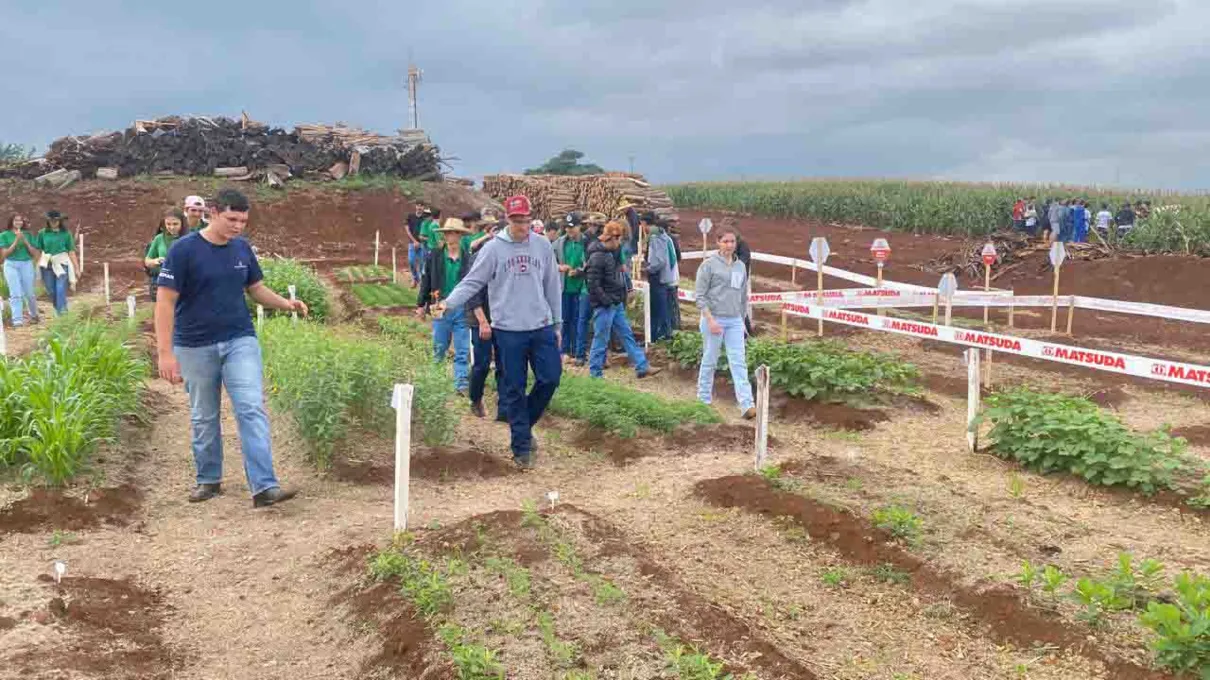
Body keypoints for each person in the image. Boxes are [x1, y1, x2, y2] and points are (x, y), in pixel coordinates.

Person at [155, 188, 306, 507]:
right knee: (204, 415)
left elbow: (256, 289)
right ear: (212, 212)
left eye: (243, 220)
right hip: (194, 345)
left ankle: (265, 487)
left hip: (240, 339)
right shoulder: (184, 250)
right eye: (232, 219)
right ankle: (208, 479)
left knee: (251, 407)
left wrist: (286, 304)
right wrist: (165, 353)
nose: (238, 226)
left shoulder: (242, 249)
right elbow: (165, 302)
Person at [438, 195, 562, 470]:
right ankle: (521, 449)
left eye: (526, 220)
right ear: (508, 219)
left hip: (540, 325)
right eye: (517, 221)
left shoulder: (542, 246)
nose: (522, 226)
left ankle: (523, 425)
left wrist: (557, 324)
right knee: (514, 388)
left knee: (550, 378)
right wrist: (448, 303)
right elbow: (472, 283)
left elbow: (553, 285)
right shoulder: (493, 250)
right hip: (507, 331)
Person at [695, 227, 756, 419]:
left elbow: (742, 298)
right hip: (714, 319)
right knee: (710, 360)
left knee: (738, 361)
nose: (729, 245)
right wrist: (710, 320)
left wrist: (743, 322)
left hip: (734, 321)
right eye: (726, 241)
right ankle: (703, 400)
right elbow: (700, 296)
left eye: (732, 242)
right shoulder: (709, 265)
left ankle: (747, 404)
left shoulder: (740, 267)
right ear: (718, 242)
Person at [585, 220, 657, 380]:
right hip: (605, 305)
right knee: (601, 338)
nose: (620, 243)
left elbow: (620, 272)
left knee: (626, 334)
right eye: (618, 239)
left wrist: (626, 289)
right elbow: (592, 285)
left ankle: (642, 366)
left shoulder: (612, 253)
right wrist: (606, 301)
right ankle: (595, 374)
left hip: (615, 303)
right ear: (611, 238)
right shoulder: (597, 257)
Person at [416, 218, 473, 395]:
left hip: (462, 308)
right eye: (447, 232)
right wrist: (421, 304)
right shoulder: (435, 255)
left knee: (462, 349)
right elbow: (426, 280)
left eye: (454, 232)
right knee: (439, 347)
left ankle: (461, 384)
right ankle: (435, 381)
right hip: (439, 305)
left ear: (461, 235)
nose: (450, 236)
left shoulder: (468, 259)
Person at [554, 213, 590, 365]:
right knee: (565, 319)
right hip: (564, 287)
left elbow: (591, 262)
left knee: (579, 319)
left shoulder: (587, 243)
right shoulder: (559, 243)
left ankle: (577, 350)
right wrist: (560, 267)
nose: (569, 231)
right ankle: (563, 350)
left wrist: (581, 271)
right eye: (567, 228)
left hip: (581, 287)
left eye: (572, 228)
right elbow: (549, 262)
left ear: (579, 226)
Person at [36, 210, 80, 315]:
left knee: (60, 289)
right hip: (47, 264)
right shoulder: (42, 233)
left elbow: (71, 251)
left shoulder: (66, 233)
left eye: (56, 220)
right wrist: (36, 265)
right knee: (51, 291)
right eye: (51, 220)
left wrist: (76, 268)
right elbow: (38, 250)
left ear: (60, 221)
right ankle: (61, 309)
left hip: (62, 263)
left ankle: (62, 314)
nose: (54, 222)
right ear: (48, 221)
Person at [1, 214, 42, 326]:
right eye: (16, 220)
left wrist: (25, 241)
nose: (19, 222)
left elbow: (34, 253)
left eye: (20, 220)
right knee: (15, 293)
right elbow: (4, 254)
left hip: (26, 264)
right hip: (10, 264)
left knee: (29, 293)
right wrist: (16, 241)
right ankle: (17, 320)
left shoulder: (28, 235)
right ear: (11, 221)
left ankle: (34, 315)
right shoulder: (4, 235)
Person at [645, 217, 679, 343]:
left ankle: (661, 335)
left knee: (658, 308)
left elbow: (659, 261)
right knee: (662, 307)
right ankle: (660, 334)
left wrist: (649, 269)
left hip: (658, 277)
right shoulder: (666, 237)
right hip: (667, 277)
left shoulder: (655, 238)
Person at [144, 208, 186, 302]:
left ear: (182, 223)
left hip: (184, 283)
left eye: (175, 224)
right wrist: (156, 261)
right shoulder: (159, 238)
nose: (171, 227)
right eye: (168, 224)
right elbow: (147, 261)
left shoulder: (189, 238)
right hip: (164, 282)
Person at [405, 202, 427, 287]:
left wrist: (422, 241)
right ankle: (415, 278)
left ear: (423, 207)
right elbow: (407, 230)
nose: (419, 207)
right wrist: (414, 241)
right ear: (415, 206)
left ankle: (421, 281)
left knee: (422, 263)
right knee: (411, 261)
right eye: (418, 205)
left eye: (421, 205)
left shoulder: (426, 218)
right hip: (412, 243)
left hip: (423, 244)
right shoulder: (410, 216)